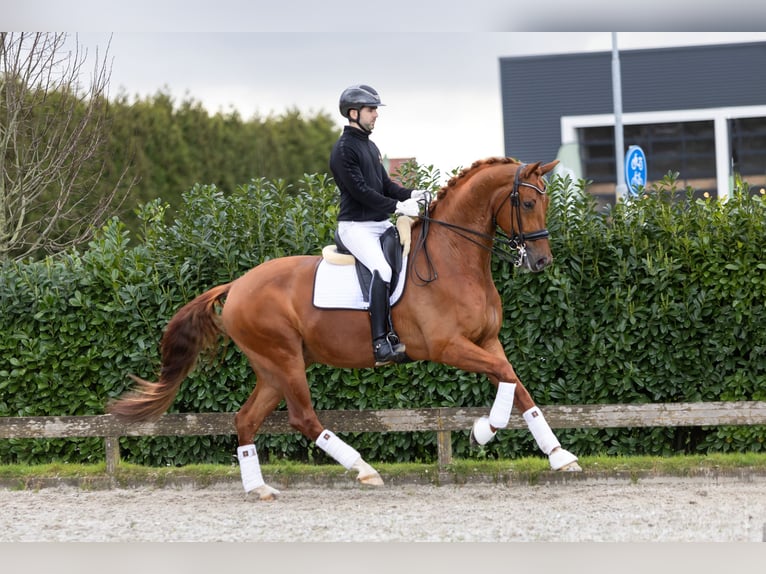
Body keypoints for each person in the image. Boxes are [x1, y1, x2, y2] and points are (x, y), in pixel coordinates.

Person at [329, 84, 428, 365]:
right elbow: (361, 192)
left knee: (410, 259)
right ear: (353, 113)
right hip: (355, 227)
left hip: (378, 224)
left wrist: (412, 194)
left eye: (375, 110)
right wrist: (397, 207)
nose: (375, 115)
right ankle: (380, 343)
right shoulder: (343, 149)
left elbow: (384, 185)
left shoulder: (370, 147)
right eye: (371, 110)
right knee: (382, 270)